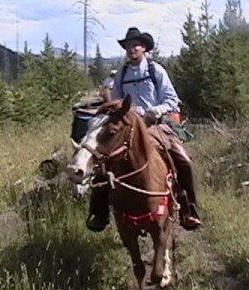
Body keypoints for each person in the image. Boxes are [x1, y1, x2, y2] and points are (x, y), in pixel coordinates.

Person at [86, 27, 202, 231]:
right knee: (104, 160)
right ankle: (99, 212)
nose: (132, 49)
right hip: (129, 125)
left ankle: (188, 209)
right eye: (129, 46)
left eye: (136, 45)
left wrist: (158, 109)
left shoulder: (155, 70)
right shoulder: (121, 74)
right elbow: (117, 102)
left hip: (156, 124)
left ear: (144, 48)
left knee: (183, 160)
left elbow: (172, 99)